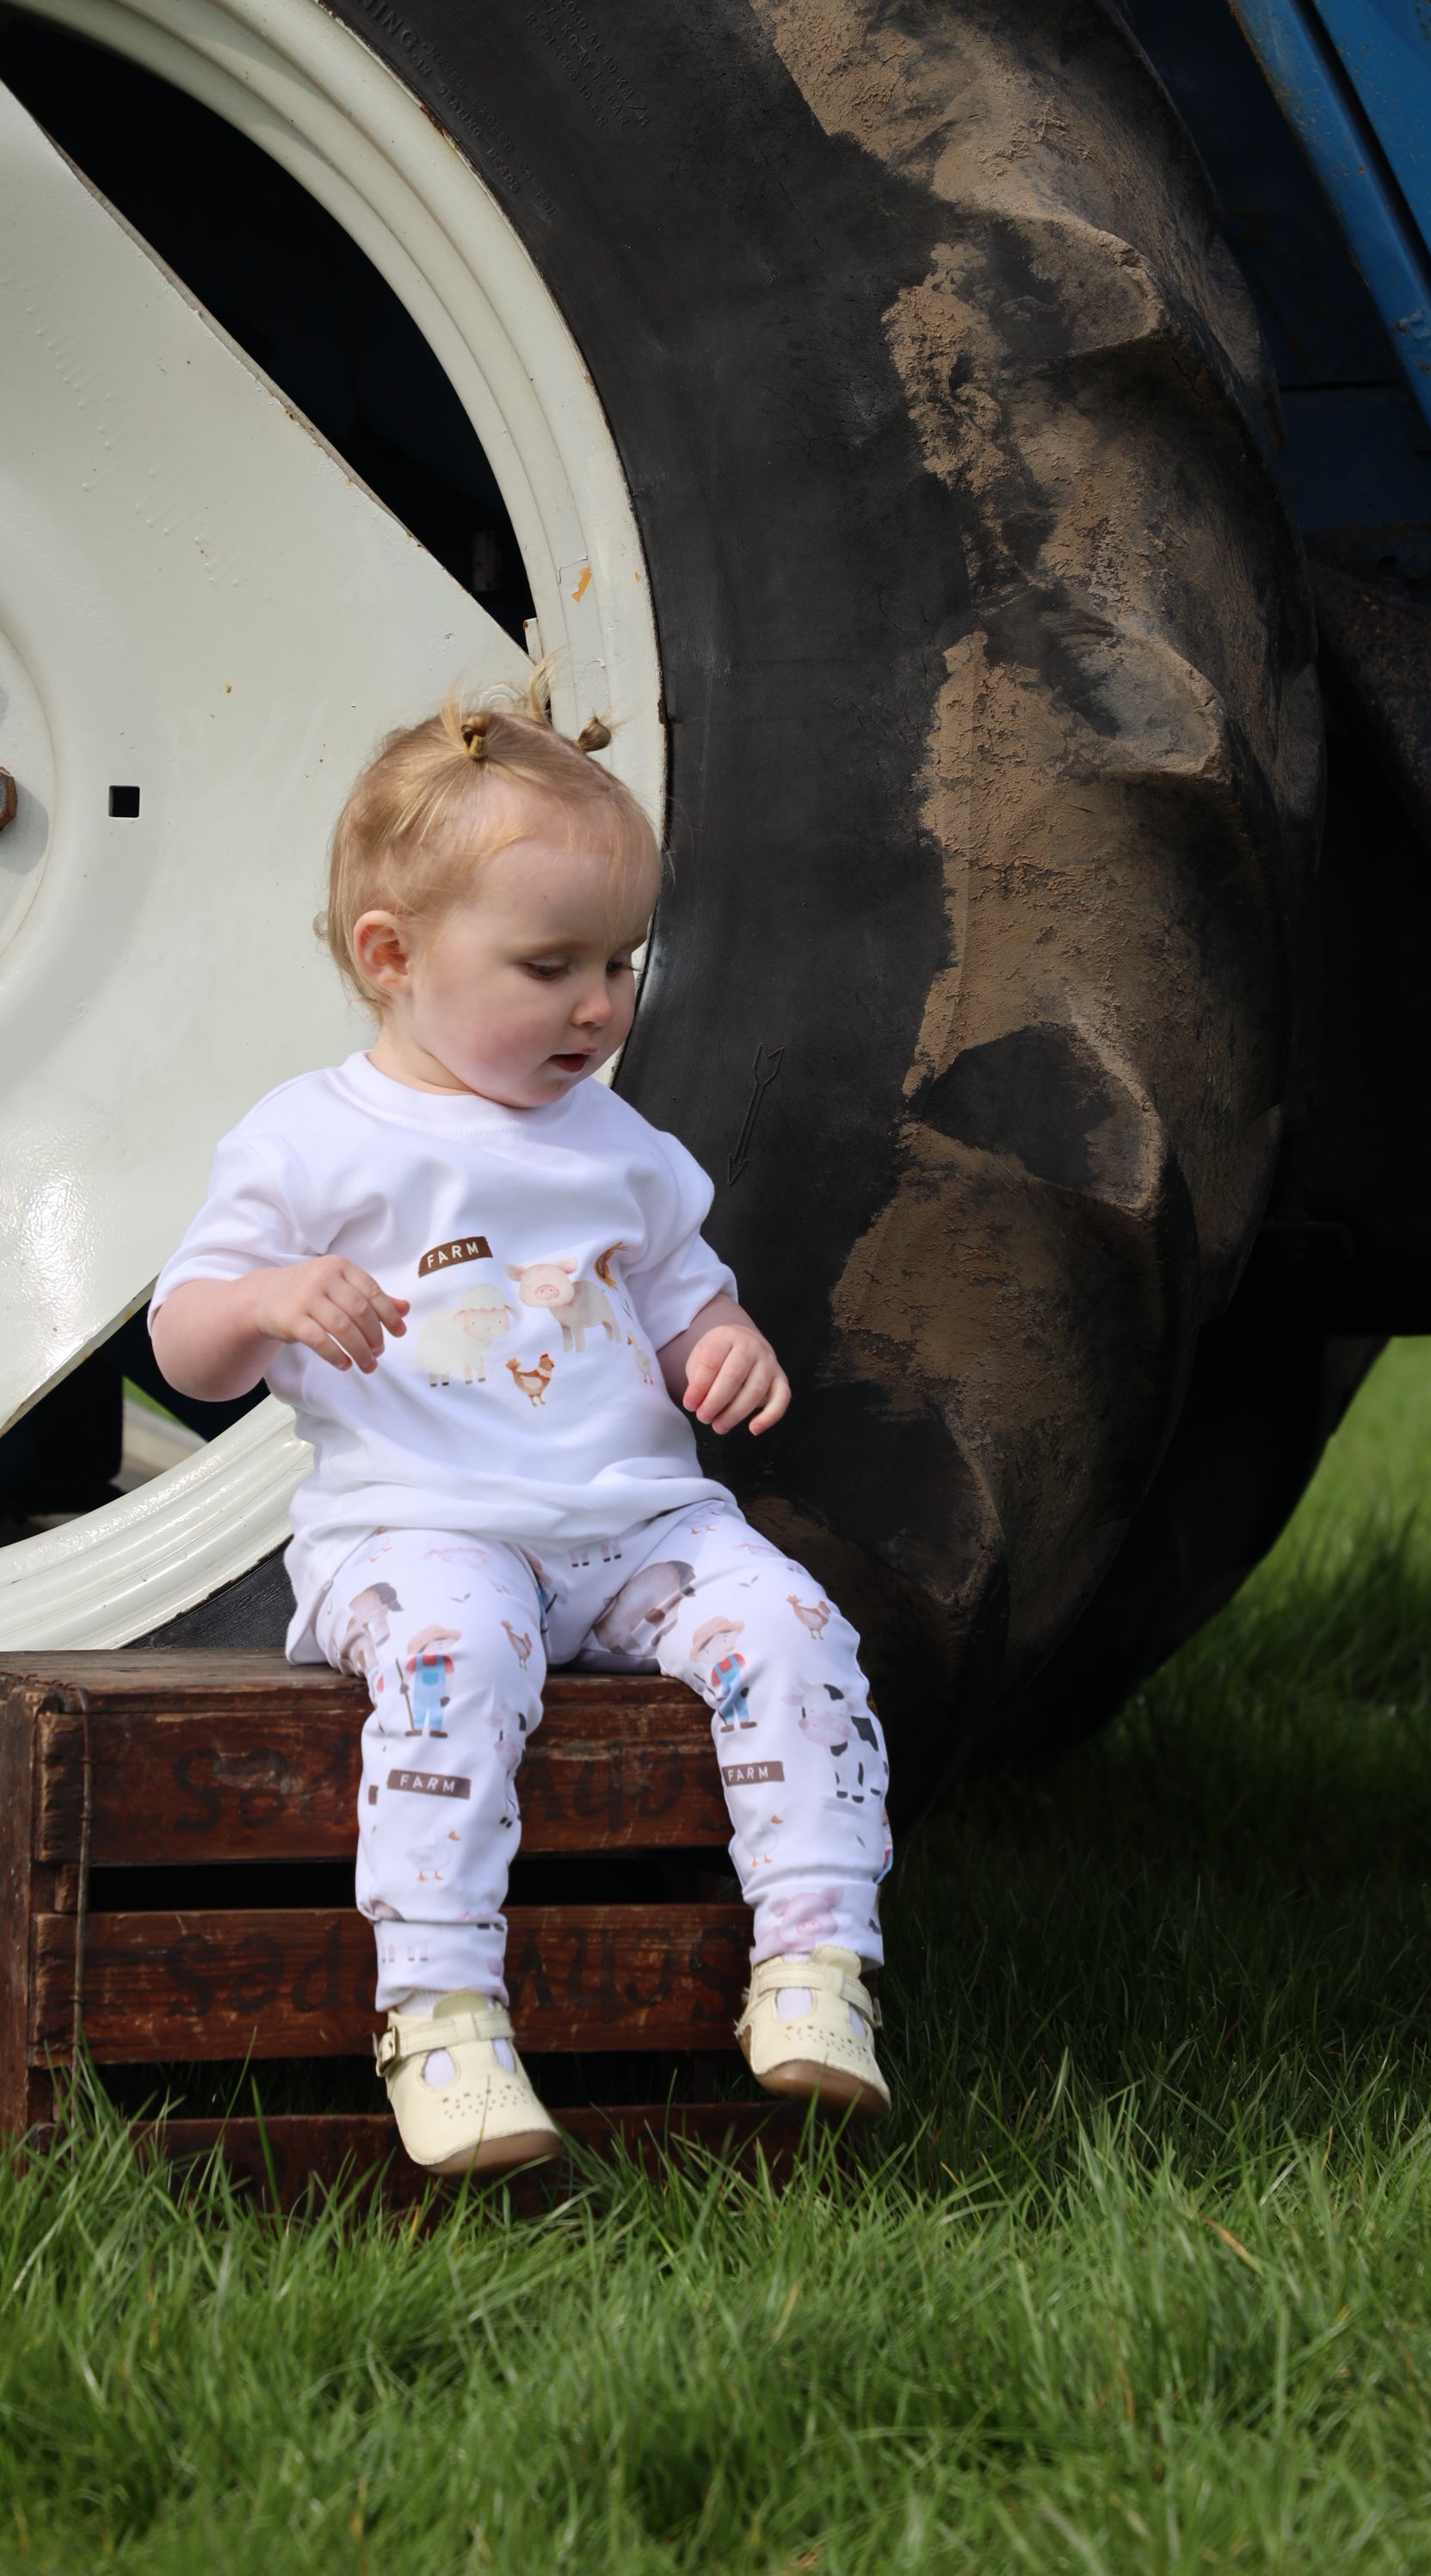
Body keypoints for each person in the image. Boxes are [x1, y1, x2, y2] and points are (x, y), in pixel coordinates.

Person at [151, 682, 892, 2176]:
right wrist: (274, 1298)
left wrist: (726, 1348)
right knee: (454, 1674)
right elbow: (185, 1344)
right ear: (392, 955)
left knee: (797, 1627)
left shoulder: (626, 1147)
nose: (599, 1005)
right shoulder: (312, 1136)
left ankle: (816, 1962)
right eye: (548, 965)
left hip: (637, 1530)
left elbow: (691, 1300)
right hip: (419, 1531)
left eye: (619, 963)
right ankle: (439, 2015)